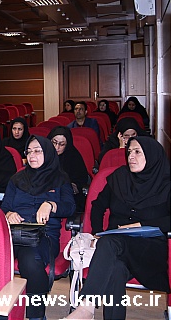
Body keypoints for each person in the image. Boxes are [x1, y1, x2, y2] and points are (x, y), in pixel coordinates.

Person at [65, 137, 169, 320]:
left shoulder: (166, 183)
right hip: (115, 247)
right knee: (116, 269)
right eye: (129, 152)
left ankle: (86, 308)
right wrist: (97, 232)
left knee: (110, 243)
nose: (131, 156)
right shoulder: (120, 177)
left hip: (148, 249)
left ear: (152, 155)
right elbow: (97, 206)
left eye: (137, 152)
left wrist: (141, 225)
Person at [1, 135, 75, 320]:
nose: (32, 155)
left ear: (48, 153)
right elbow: (4, 206)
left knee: (30, 259)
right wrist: (9, 214)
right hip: (15, 233)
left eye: (37, 151)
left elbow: (70, 207)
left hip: (44, 236)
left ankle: (36, 316)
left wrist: (51, 205)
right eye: (29, 151)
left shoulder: (60, 178)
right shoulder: (17, 178)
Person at [47, 126, 90, 212]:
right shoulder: (42, 156)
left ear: (67, 145)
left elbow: (80, 181)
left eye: (61, 144)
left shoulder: (74, 157)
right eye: (54, 142)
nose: (56, 147)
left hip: (67, 199)